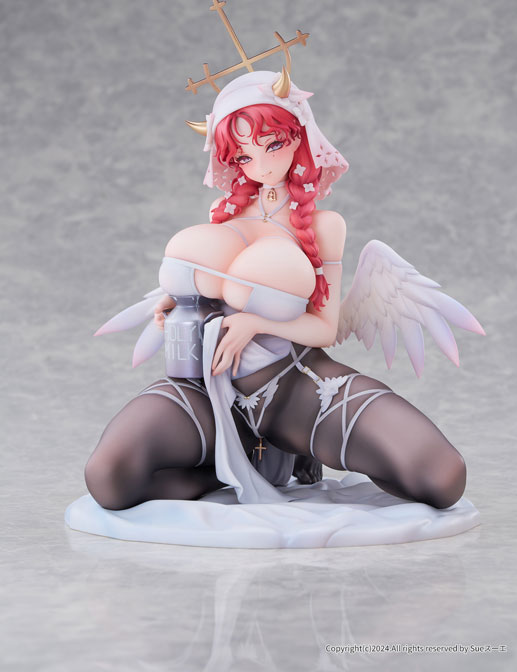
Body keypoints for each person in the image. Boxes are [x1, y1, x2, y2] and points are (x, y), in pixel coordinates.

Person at [85, 69, 484, 514]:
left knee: (442, 475)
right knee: (108, 478)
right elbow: (212, 288)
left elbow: (324, 328)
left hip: (296, 386)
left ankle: (285, 451)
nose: (261, 165)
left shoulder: (324, 226)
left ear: (299, 136)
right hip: (208, 389)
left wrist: (255, 323)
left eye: (272, 144)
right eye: (243, 156)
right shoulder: (224, 212)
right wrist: (177, 302)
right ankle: (237, 468)